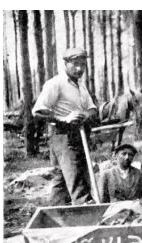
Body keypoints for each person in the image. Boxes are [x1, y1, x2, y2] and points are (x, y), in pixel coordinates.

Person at [32, 47, 99, 206]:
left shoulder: (81, 87)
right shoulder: (55, 84)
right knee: (77, 181)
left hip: (80, 135)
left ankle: (54, 217)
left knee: (62, 181)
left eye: (83, 65)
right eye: (75, 64)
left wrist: (86, 116)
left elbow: (92, 109)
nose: (79, 69)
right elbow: (38, 111)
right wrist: (64, 118)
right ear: (66, 64)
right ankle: (86, 215)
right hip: (63, 136)